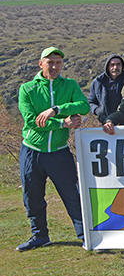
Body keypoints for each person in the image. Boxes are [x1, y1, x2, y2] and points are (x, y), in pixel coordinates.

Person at [17, 47, 90, 251]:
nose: (55, 66)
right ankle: (39, 236)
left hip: (59, 151)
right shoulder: (27, 89)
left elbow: (84, 106)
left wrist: (56, 109)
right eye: (50, 62)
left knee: (72, 195)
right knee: (32, 196)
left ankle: (85, 235)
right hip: (32, 152)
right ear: (41, 64)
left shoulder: (70, 85)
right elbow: (32, 121)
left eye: (58, 62)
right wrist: (62, 123)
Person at [87, 54, 124, 123]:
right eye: (112, 65)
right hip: (104, 124)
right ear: (107, 66)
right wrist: (97, 110)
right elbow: (90, 102)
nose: (115, 67)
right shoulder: (98, 82)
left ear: (122, 66)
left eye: (118, 64)